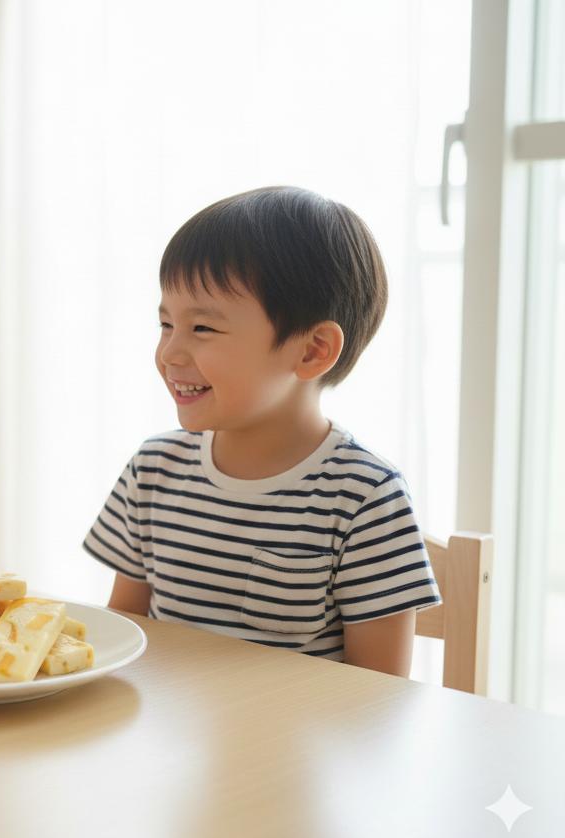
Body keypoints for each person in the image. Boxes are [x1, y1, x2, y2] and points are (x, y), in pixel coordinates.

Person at [83, 186, 440, 676]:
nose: (169, 353)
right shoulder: (154, 470)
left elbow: (379, 699)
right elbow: (124, 640)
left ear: (313, 350)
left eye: (202, 329)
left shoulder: (364, 497)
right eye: (166, 323)